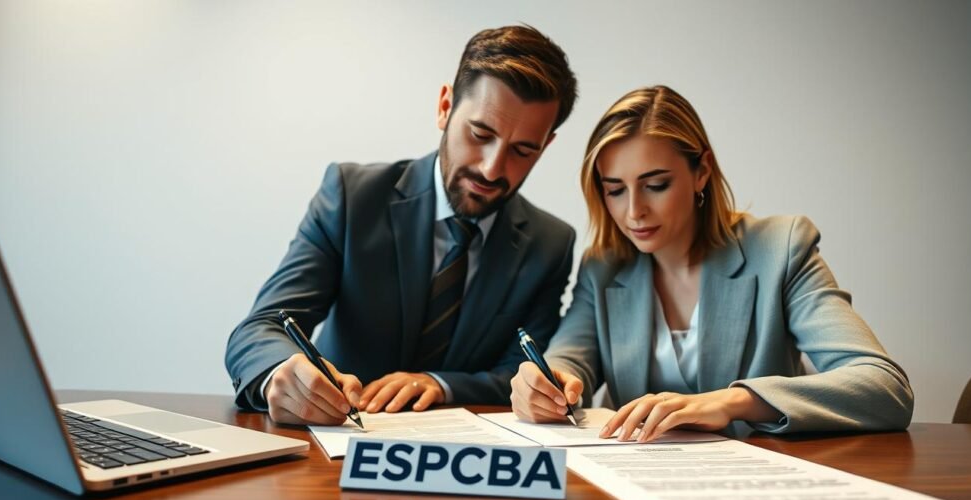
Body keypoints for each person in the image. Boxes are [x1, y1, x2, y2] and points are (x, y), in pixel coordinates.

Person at [510, 86, 913, 441]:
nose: (634, 211)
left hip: (760, 491)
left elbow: (884, 387)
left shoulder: (780, 249)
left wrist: (735, 402)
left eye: (656, 185)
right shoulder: (603, 267)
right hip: (635, 490)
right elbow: (568, 360)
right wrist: (544, 384)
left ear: (701, 171)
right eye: (615, 190)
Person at [226, 25, 578, 425]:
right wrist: (279, 374)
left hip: (467, 459)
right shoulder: (352, 197)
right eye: (480, 133)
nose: (492, 167)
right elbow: (261, 327)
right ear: (445, 107)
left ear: (546, 145)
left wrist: (439, 383)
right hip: (334, 438)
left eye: (523, 150)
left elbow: (522, 374)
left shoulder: (551, 244)